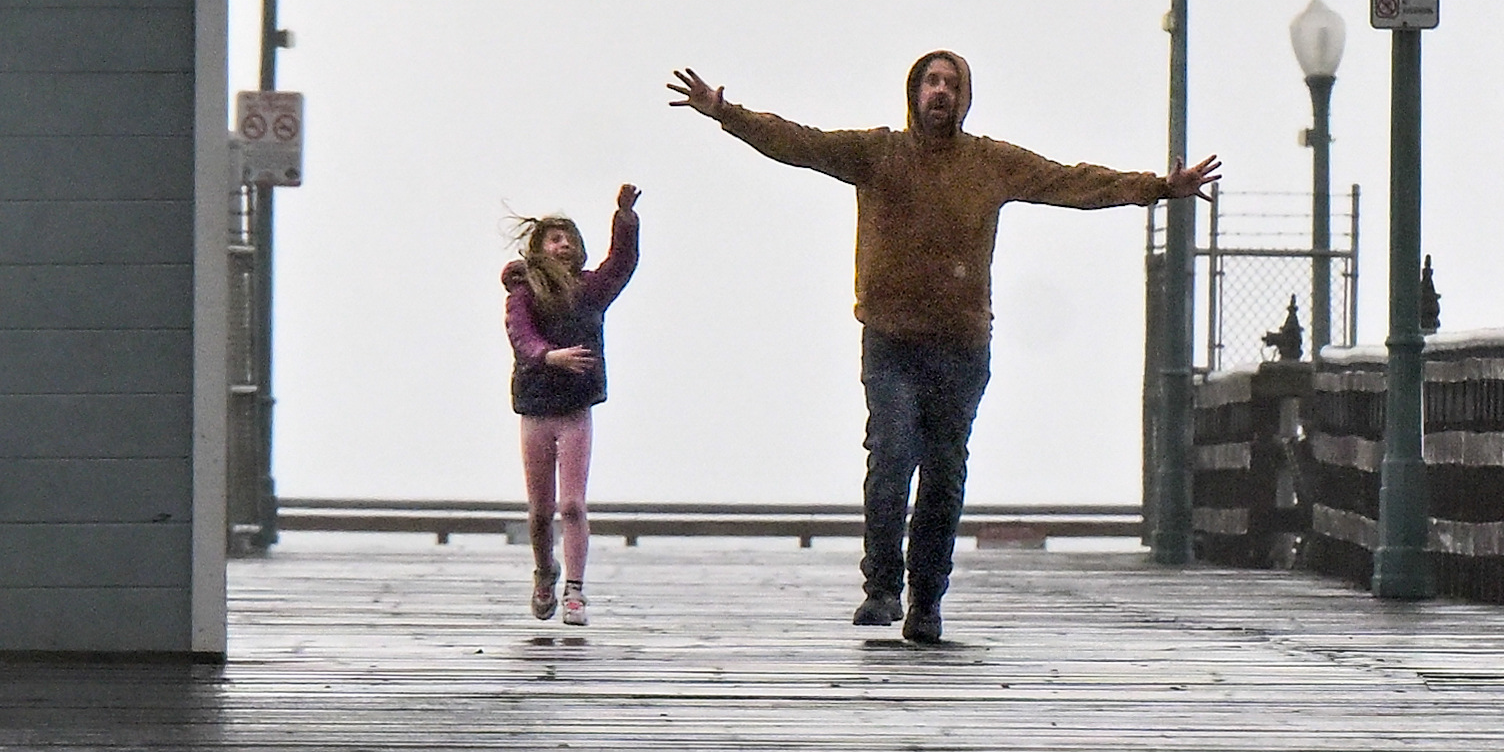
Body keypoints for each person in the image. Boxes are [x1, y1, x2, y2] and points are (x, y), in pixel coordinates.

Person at [669, 52, 1214, 645]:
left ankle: (926, 601)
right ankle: (881, 586)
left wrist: (1159, 188)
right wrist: (725, 112)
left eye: (951, 84)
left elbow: (1071, 181)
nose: (940, 92)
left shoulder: (988, 164)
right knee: (893, 451)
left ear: (964, 97)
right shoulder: (878, 154)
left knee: (945, 472)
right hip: (891, 339)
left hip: (960, 343)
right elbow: (800, 143)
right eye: (931, 81)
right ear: (913, 92)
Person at [506, 185, 642, 629]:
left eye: (569, 238)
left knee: (574, 506)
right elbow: (520, 334)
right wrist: (549, 355)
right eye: (554, 238)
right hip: (537, 409)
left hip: (575, 409)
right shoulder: (524, 291)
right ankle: (545, 572)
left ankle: (576, 590)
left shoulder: (589, 290)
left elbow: (620, 266)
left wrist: (624, 220)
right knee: (541, 510)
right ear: (539, 248)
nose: (563, 245)